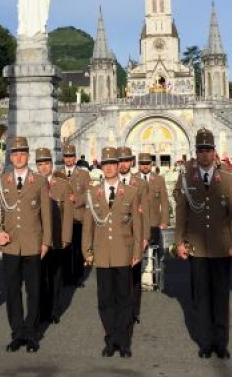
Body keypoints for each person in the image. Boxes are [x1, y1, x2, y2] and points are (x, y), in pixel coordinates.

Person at [174, 129, 232, 360]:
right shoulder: (186, 178)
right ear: (196, 152)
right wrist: (179, 242)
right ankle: (205, 342)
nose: (204, 155)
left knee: (221, 297)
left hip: (222, 246)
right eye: (200, 150)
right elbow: (181, 212)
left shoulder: (229, 179)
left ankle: (221, 343)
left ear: (215, 152)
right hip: (197, 247)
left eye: (208, 150)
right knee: (201, 298)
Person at [82, 146, 142, 358]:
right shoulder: (92, 193)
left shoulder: (132, 192)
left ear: (118, 166)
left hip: (123, 253)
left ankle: (124, 342)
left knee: (125, 299)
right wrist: (86, 250)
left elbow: (137, 223)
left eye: (112, 164)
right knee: (105, 299)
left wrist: (137, 252)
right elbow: (88, 224)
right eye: (104, 164)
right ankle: (111, 339)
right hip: (101, 254)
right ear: (101, 167)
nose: (108, 168)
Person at [0, 137, 51, 353]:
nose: (18, 157)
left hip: (32, 243)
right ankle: (17, 332)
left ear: (28, 156)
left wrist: (46, 241)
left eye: (22, 153)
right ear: (10, 157)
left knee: (34, 289)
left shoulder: (38, 181)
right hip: (10, 244)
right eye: (15, 153)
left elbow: (45, 213)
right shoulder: (3, 180)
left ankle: (32, 332)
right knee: (12, 289)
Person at [35, 147, 73, 324]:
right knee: (40, 275)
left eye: (46, 163)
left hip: (57, 237)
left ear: (51, 165)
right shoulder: (32, 183)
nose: (43, 167)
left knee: (56, 275)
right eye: (40, 164)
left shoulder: (62, 185)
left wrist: (66, 237)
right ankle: (43, 309)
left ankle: (55, 309)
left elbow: (67, 215)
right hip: (38, 238)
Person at [117, 147, 149, 325]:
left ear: (131, 162)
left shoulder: (140, 184)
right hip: (118, 236)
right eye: (120, 161)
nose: (123, 164)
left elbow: (145, 212)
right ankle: (121, 309)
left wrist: (145, 237)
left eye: (126, 160)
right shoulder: (111, 182)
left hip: (135, 235)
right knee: (119, 275)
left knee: (134, 276)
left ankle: (134, 311)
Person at [54, 144, 90, 287]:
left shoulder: (83, 174)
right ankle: (66, 276)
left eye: (71, 156)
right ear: (63, 158)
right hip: (62, 219)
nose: (68, 159)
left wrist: (77, 199)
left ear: (75, 158)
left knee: (77, 250)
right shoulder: (57, 174)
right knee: (64, 249)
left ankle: (77, 277)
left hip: (77, 217)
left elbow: (89, 195)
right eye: (66, 156)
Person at [137, 152, 169, 261]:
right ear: (138, 164)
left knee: (156, 256)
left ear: (151, 164)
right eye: (142, 163)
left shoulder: (159, 179)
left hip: (154, 222)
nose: (145, 166)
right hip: (138, 223)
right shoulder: (133, 180)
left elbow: (164, 202)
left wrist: (164, 221)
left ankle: (156, 276)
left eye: (147, 163)